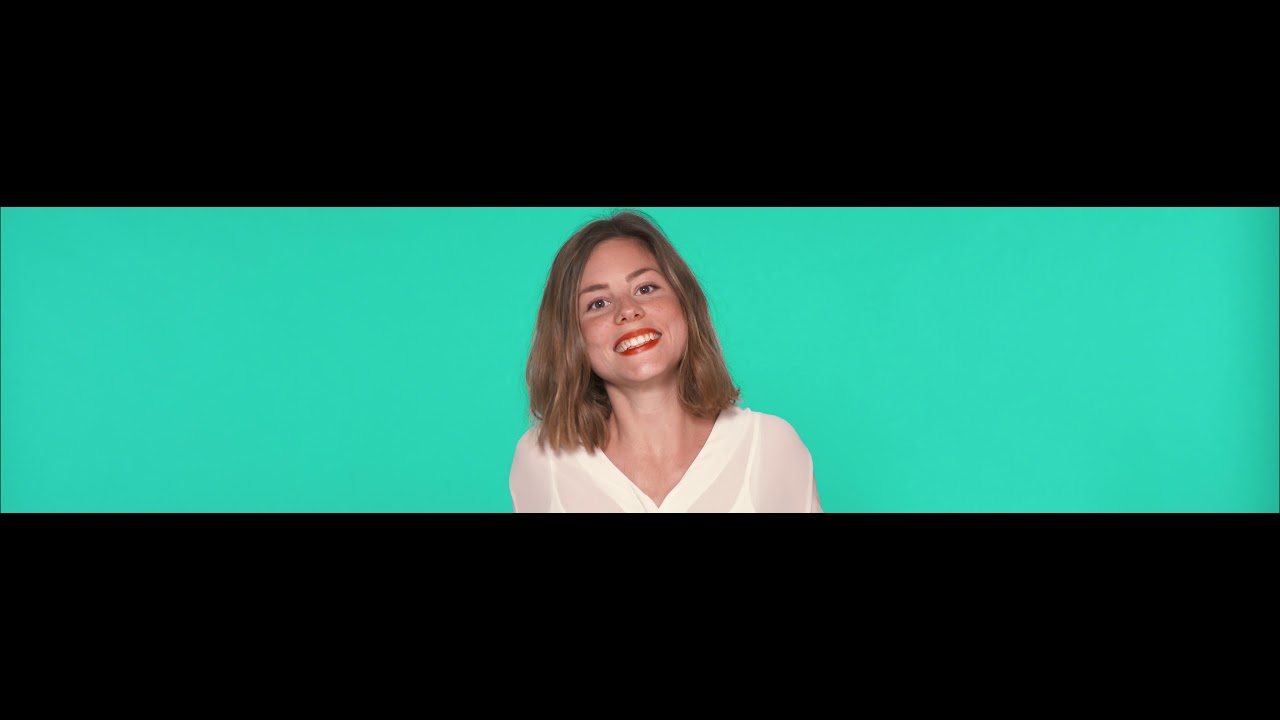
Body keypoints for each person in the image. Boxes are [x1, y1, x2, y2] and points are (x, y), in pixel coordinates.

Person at [509, 210, 822, 513]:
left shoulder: (770, 447)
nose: (628, 310)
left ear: (684, 302)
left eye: (645, 288)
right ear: (571, 336)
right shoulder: (542, 460)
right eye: (598, 303)